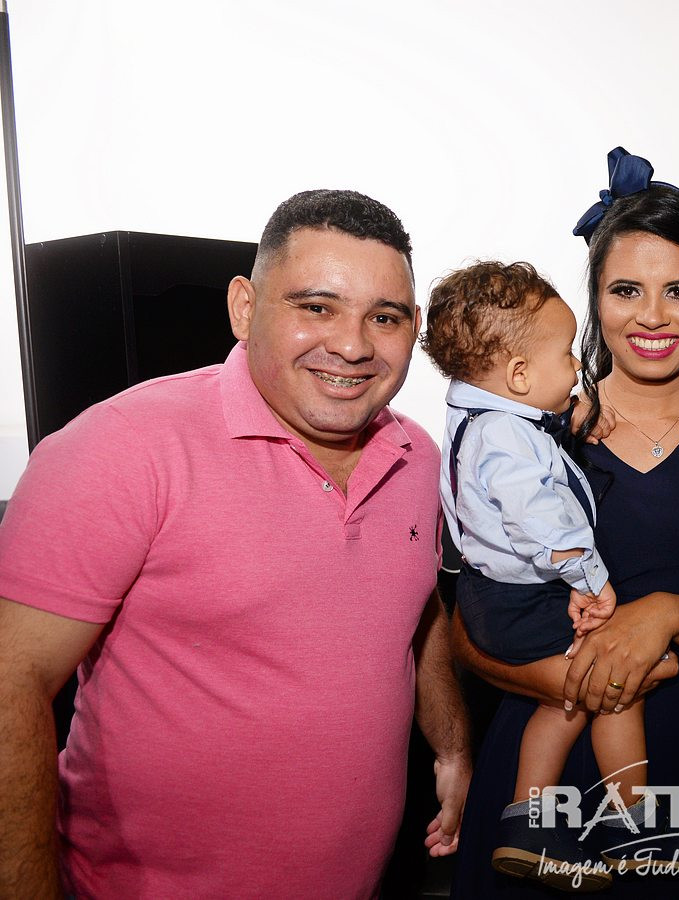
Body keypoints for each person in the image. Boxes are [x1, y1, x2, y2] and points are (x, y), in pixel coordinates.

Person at [0, 189, 471, 899]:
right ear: (244, 308)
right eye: (317, 307)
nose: (352, 345)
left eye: (385, 316)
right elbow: (12, 681)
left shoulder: (418, 457)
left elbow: (415, 613)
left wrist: (453, 746)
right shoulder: (121, 448)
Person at [450, 147, 679, 898]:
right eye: (625, 290)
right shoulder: (526, 437)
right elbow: (466, 628)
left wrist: (668, 614)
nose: (651, 315)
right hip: (550, 770)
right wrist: (580, 684)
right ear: (595, 300)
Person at [424, 260, 679, 892]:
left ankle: (530, 824)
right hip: (523, 600)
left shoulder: (485, 417)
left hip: (492, 597)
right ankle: (632, 821)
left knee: (564, 703)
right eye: (567, 354)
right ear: (520, 375)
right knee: (612, 683)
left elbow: (526, 444)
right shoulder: (506, 438)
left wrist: (567, 417)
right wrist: (590, 580)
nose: (578, 366)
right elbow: (541, 522)